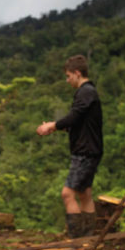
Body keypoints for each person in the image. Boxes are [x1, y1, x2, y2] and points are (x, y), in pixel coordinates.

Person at [36, 55, 103, 238]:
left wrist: (52, 125)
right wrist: (57, 126)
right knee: (84, 193)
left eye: (68, 76)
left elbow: (74, 116)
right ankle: (88, 237)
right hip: (89, 150)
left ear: (77, 73)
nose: (67, 80)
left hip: (85, 152)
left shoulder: (86, 92)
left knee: (67, 194)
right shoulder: (87, 93)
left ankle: (76, 239)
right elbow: (78, 122)